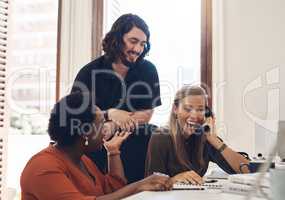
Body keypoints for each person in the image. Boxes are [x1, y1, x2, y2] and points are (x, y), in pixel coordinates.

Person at [20, 92, 172, 200]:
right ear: (84, 132)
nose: (106, 129)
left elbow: (115, 190)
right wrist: (140, 185)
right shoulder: (43, 167)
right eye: (101, 124)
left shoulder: (82, 160)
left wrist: (113, 153)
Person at [71, 14, 161, 183]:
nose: (138, 49)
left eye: (143, 44)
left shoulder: (148, 70)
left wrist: (114, 124)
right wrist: (109, 114)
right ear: (117, 39)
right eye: (133, 41)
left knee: (154, 133)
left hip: (135, 145)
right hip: (95, 146)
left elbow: (146, 113)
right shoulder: (89, 72)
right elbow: (76, 115)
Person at [145, 85, 250, 184]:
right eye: (187, 109)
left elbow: (248, 171)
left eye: (200, 109)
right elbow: (152, 184)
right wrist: (174, 179)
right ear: (175, 109)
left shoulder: (205, 138)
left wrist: (214, 140)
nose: (194, 116)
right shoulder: (161, 137)